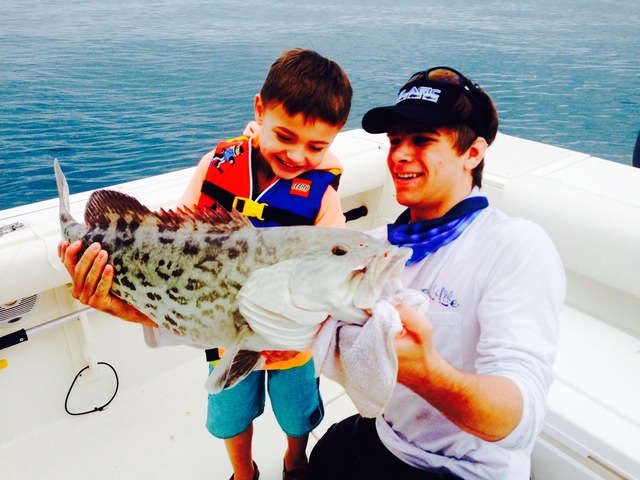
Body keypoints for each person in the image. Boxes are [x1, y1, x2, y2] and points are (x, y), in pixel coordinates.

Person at [58, 48, 353, 480]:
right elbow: (174, 237)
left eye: (317, 147)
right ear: (260, 110)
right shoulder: (215, 167)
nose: (297, 156)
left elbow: (332, 272)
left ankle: (295, 459)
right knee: (231, 415)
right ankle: (243, 473)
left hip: (292, 347)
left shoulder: (323, 197)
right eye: (285, 136)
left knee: (297, 414)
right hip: (223, 335)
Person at [307, 67, 566, 480]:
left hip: (465, 469)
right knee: (322, 457)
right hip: (387, 436)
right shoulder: (373, 245)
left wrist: (427, 374)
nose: (399, 155)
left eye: (422, 140)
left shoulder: (515, 245)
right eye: (395, 140)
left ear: (472, 154)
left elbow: (518, 422)